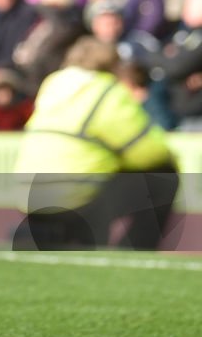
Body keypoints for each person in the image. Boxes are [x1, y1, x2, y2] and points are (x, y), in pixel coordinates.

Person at [13, 38, 178, 250]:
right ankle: (132, 255)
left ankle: (55, 236)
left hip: (28, 195)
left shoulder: (53, 82)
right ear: (112, 64)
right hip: (74, 197)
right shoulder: (106, 90)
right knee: (163, 176)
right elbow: (149, 151)